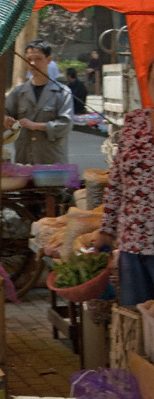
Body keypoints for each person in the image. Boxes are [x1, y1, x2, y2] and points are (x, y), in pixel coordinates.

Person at [93, 57, 154, 305]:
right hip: (132, 244)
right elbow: (116, 182)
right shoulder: (134, 122)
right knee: (136, 326)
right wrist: (106, 230)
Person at [4, 39, 74, 164]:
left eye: (38, 59)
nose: (33, 63)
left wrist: (36, 126)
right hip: (25, 159)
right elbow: (4, 114)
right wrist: (6, 120)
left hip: (52, 161)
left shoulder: (63, 92)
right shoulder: (18, 92)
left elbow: (65, 125)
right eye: (29, 59)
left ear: (48, 60)